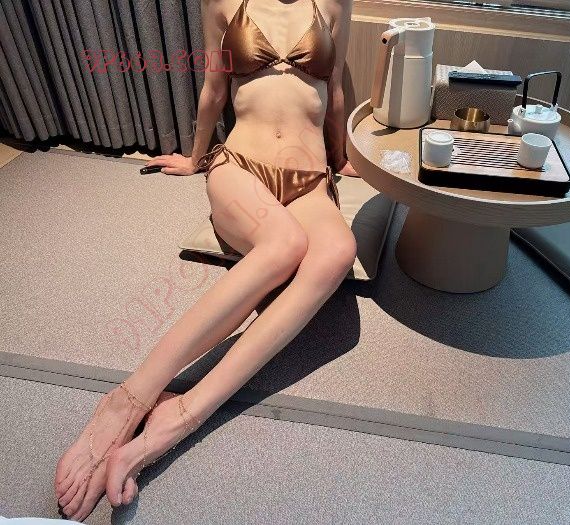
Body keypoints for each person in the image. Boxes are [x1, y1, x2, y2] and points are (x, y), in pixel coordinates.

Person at [53, 0, 356, 520]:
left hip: (310, 181)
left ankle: (181, 413)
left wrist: (344, 158)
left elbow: (336, 91)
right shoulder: (222, 2)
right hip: (240, 167)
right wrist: (195, 160)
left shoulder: (335, 2)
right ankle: (127, 400)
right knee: (284, 245)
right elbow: (216, 89)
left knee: (338, 252)